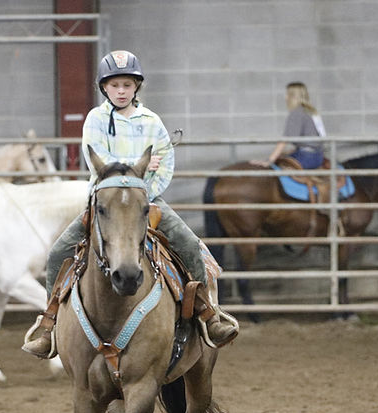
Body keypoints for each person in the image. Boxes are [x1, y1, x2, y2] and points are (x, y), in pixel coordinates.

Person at [21, 49, 239, 359]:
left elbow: (165, 163)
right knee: (58, 252)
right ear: (104, 88)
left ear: (136, 86)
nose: (121, 91)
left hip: (146, 201)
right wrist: (139, 169)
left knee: (189, 245)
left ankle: (208, 315)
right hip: (106, 204)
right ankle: (50, 323)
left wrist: (143, 193)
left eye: (127, 85)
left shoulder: (152, 121)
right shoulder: (95, 120)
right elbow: (99, 161)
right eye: (114, 85)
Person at [257, 81, 326, 169]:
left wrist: (269, 160)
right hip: (318, 156)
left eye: (287, 95)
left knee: (276, 168)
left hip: (306, 157)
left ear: (293, 97)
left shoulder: (296, 113)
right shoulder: (310, 111)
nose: (285, 98)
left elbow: (284, 140)